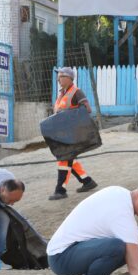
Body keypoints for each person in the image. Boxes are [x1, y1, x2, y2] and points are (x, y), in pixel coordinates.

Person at [49, 66, 98, 200]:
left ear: (69, 78)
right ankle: (87, 181)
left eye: (61, 76)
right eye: (58, 76)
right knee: (70, 159)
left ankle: (60, 190)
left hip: (72, 133)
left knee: (64, 159)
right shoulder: (61, 94)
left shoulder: (77, 92)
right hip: (63, 134)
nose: (58, 79)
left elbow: (86, 110)